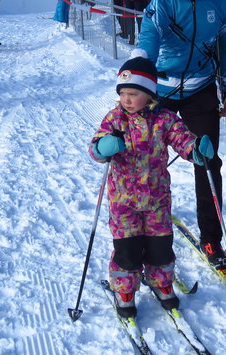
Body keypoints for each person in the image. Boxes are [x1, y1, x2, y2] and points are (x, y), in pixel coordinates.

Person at [138, 0, 226, 269]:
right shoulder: (161, 2)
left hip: (200, 91)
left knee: (207, 162)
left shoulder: (221, 1)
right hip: (161, 93)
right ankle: (143, 233)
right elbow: (147, 43)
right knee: (145, 161)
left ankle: (211, 239)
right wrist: (137, 82)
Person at [88, 56, 214, 318]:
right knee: (127, 248)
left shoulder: (165, 119)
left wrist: (196, 150)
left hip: (157, 198)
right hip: (123, 200)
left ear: (149, 94)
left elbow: (182, 139)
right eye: (122, 94)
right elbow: (95, 148)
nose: (126, 99)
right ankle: (125, 290)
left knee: (161, 246)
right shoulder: (114, 119)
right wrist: (103, 147)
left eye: (133, 94)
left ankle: (161, 282)